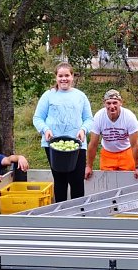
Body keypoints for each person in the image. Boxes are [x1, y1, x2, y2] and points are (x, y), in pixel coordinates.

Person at [33, 62, 93, 202]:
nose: (64, 79)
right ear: (56, 77)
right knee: (60, 180)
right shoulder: (48, 95)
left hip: (77, 145)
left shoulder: (80, 96)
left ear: (72, 76)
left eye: (67, 75)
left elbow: (89, 119)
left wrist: (83, 130)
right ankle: (60, 214)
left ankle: (78, 215)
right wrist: (45, 129)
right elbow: (38, 118)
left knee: (77, 181)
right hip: (54, 145)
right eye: (60, 76)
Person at [85, 89, 138, 181]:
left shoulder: (129, 117)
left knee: (127, 181)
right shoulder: (99, 116)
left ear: (120, 102)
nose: (112, 106)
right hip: (107, 153)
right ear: (104, 104)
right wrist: (89, 166)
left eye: (115, 103)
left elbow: (135, 145)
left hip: (126, 152)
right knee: (107, 182)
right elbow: (93, 144)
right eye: (108, 103)